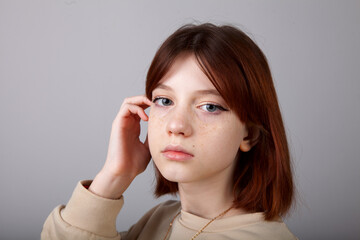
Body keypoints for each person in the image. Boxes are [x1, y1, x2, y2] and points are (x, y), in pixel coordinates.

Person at [41, 23, 297, 240]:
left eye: (209, 106)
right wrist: (114, 175)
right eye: (164, 101)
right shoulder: (161, 219)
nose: (176, 126)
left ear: (249, 134)